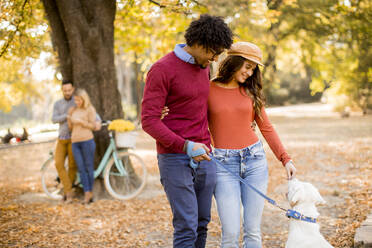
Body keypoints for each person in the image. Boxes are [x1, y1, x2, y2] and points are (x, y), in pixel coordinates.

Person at [141, 14, 233, 248]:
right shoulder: (161, 69)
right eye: (213, 52)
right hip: (174, 158)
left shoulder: (204, 68)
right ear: (199, 43)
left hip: (205, 156)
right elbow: (149, 121)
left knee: (202, 222)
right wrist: (185, 146)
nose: (215, 58)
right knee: (186, 225)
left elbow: (202, 107)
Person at [208, 42, 297, 247]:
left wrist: (286, 159)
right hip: (223, 165)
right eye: (247, 66)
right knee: (230, 232)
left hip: (254, 161)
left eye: (253, 69)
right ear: (233, 62)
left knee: (253, 231)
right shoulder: (209, 89)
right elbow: (192, 119)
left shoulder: (250, 91)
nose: (249, 73)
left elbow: (266, 128)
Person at [67, 89, 97, 204]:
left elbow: (93, 126)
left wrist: (81, 122)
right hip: (75, 142)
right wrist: (69, 117)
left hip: (87, 141)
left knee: (89, 167)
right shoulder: (74, 110)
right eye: (75, 100)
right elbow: (70, 128)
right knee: (81, 169)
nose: (77, 102)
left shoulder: (90, 109)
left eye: (79, 100)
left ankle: (88, 193)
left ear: (84, 99)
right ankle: (87, 191)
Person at [51, 80, 78, 202]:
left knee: (72, 166)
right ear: (62, 90)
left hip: (73, 138)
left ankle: (67, 193)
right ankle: (68, 191)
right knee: (58, 164)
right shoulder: (58, 104)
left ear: (73, 89)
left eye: (69, 90)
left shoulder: (77, 101)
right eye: (65, 90)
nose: (67, 92)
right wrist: (66, 116)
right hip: (61, 139)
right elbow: (53, 119)